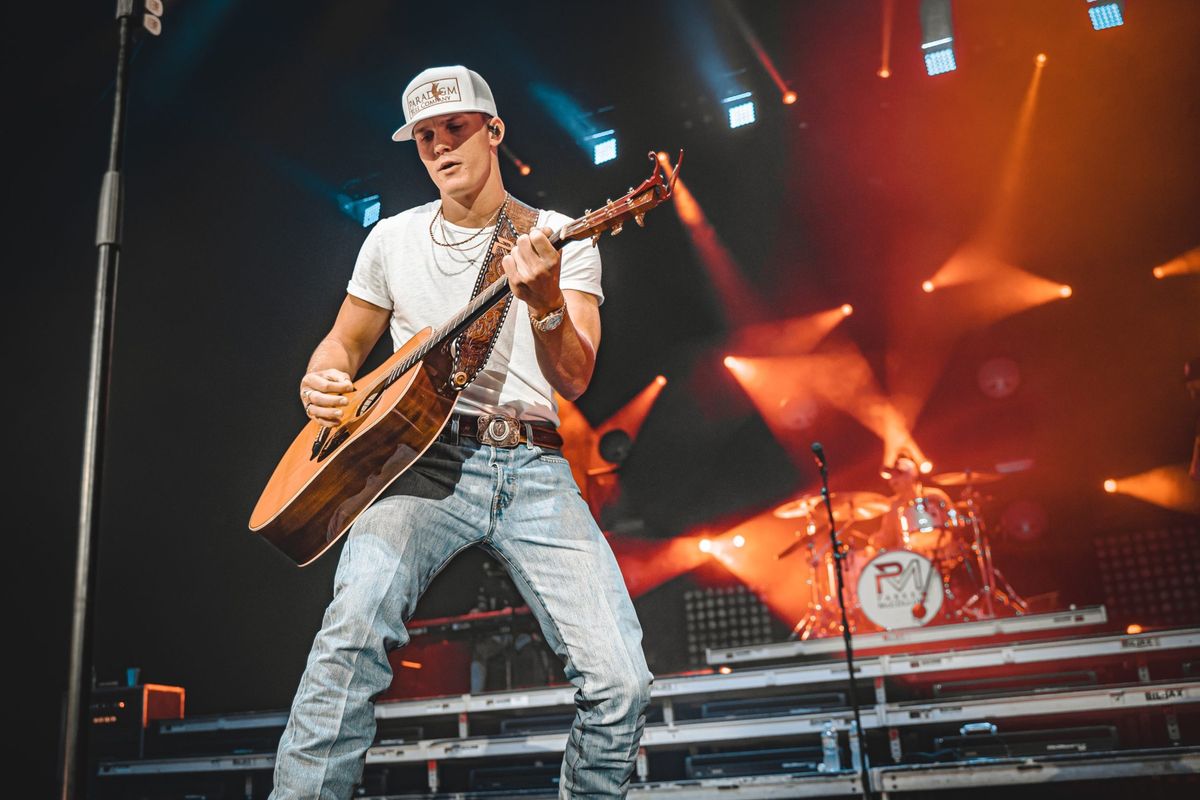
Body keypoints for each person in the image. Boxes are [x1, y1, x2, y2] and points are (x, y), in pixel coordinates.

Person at [270, 65, 653, 799]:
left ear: (494, 131)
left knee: (622, 682)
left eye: (457, 128)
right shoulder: (390, 239)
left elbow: (573, 378)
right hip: (419, 461)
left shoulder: (559, 237)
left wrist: (543, 302)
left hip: (534, 467)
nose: (442, 146)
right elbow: (343, 345)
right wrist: (319, 377)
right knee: (348, 639)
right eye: (425, 137)